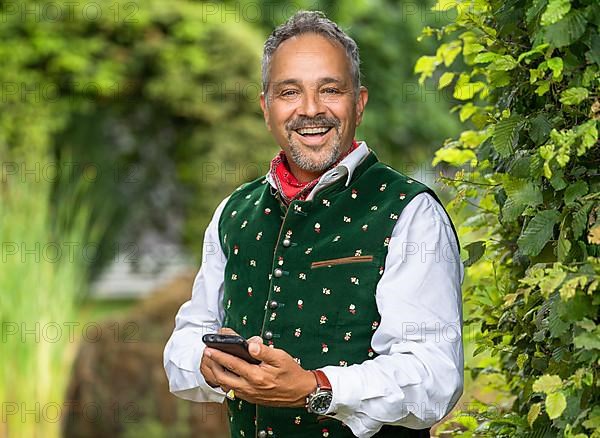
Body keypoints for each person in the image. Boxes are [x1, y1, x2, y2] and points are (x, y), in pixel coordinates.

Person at [164, 10, 463, 438]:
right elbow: (185, 341)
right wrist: (205, 363)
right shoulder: (233, 212)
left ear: (358, 104)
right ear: (266, 108)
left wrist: (314, 388)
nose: (310, 109)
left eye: (330, 90)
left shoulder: (410, 212)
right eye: (289, 92)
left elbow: (434, 378)